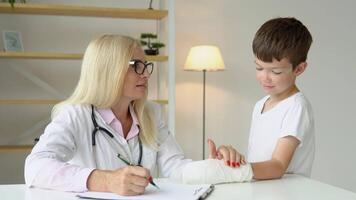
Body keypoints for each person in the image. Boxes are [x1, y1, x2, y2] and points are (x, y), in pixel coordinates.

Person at [24, 35, 239, 196]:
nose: (145, 74)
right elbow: (35, 167)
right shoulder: (75, 114)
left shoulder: (151, 113)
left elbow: (176, 167)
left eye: (146, 66)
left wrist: (212, 166)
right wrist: (106, 181)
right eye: (136, 66)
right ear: (109, 70)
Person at [237, 17, 315, 179]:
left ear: (299, 69)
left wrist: (235, 172)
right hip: (262, 190)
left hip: (287, 192)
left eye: (276, 72)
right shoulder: (260, 105)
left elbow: (278, 165)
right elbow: (257, 160)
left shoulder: (296, 107)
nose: (265, 77)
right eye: (259, 68)